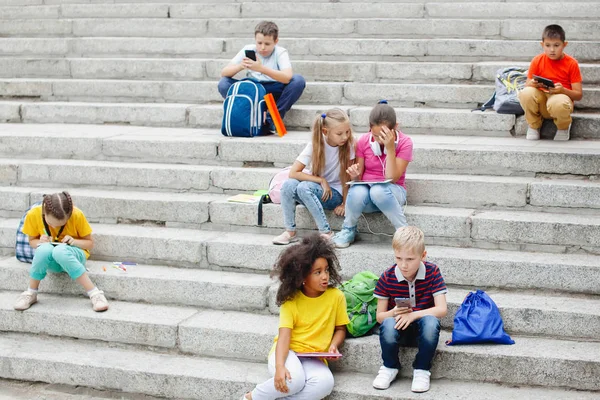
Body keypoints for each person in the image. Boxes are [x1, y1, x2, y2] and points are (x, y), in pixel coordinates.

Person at [241, 234, 349, 400]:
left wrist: (333, 345)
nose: (325, 276)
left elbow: (341, 329)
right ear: (303, 277)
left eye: (327, 270)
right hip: (288, 352)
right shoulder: (291, 300)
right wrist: (279, 367)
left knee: (325, 383)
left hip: (314, 356)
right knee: (294, 381)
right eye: (317, 272)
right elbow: (284, 338)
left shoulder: (336, 297)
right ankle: (251, 397)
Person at [371, 226, 447, 393]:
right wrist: (394, 312)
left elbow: (442, 309)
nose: (404, 265)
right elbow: (380, 317)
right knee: (388, 324)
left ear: (423, 256)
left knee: (430, 322)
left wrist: (413, 315)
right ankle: (389, 366)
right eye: (399, 258)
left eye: (410, 259)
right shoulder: (387, 277)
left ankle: (422, 369)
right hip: (397, 331)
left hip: (425, 333)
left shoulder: (432, 272)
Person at [333, 102, 413, 248]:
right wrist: (355, 175)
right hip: (367, 197)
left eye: (383, 135)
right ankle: (348, 229)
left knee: (378, 190)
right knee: (356, 190)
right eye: (375, 135)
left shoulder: (405, 142)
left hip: (392, 193)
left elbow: (392, 177)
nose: (378, 140)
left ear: (395, 127)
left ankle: (404, 232)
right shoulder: (364, 141)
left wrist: (390, 149)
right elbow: (358, 179)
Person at [13, 191, 109, 312]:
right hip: (51, 260)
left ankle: (95, 293)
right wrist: (40, 241)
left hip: (73, 256)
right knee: (43, 249)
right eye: (50, 223)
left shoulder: (77, 214)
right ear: (44, 212)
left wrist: (74, 241)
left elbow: (89, 244)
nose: (55, 227)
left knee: (60, 250)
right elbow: (32, 242)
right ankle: (31, 293)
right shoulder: (33, 214)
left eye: (61, 224)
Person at [273, 109, 355, 245]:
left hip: (335, 193)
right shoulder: (316, 144)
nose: (345, 137)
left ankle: (326, 232)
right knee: (288, 184)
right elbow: (293, 173)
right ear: (325, 132)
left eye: (347, 132)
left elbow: (347, 178)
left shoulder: (349, 145)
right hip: (318, 189)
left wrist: (345, 203)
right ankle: (290, 231)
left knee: (304, 187)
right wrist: (321, 180)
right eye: (339, 133)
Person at [218, 20, 306, 133]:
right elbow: (224, 73)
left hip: (274, 90)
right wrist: (241, 66)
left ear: (276, 41)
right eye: (259, 43)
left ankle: (272, 119)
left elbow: (287, 77)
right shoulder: (248, 49)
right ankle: (250, 114)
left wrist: (261, 69)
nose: (262, 47)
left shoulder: (280, 52)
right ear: (255, 40)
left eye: (267, 44)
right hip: (253, 90)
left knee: (298, 80)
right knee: (224, 83)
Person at [518, 24, 583, 141]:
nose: (552, 50)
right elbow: (527, 85)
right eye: (548, 45)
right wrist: (533, 84)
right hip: (542, 101)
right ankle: (534, 125)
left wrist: (563, 90)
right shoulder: (537, 60)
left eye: (556, 45)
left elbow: (578, 95)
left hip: (560, 102)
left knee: (558, 102)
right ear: (542, 45)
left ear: (564, 45)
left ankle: (563, 126)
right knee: (525, 93)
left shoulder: (571, 63)